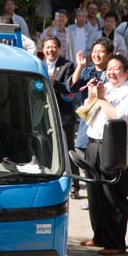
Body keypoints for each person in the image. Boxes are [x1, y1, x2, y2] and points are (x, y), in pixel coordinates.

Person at [79, 55, 128, 255]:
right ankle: (100, 236)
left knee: (113, 194)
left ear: (126, 71)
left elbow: (118, 119)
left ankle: (116, 243)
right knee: (95, 193)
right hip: (95, 143)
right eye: (109, 69)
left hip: (118, 145)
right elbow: (87, 114)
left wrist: (101, 98)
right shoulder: (106, 87)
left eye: (116, 69)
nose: (112, 72)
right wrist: (93, 97)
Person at [42, 36, 78, 196]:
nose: (50, 50)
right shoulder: (38, 64)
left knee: (68, 150)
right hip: (44, 114)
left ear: (59, 48)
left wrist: (54, 82)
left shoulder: (67, 65)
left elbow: (70, 89)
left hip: (63, 115)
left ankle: (75, 184)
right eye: (47, 47)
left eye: (53, 47)